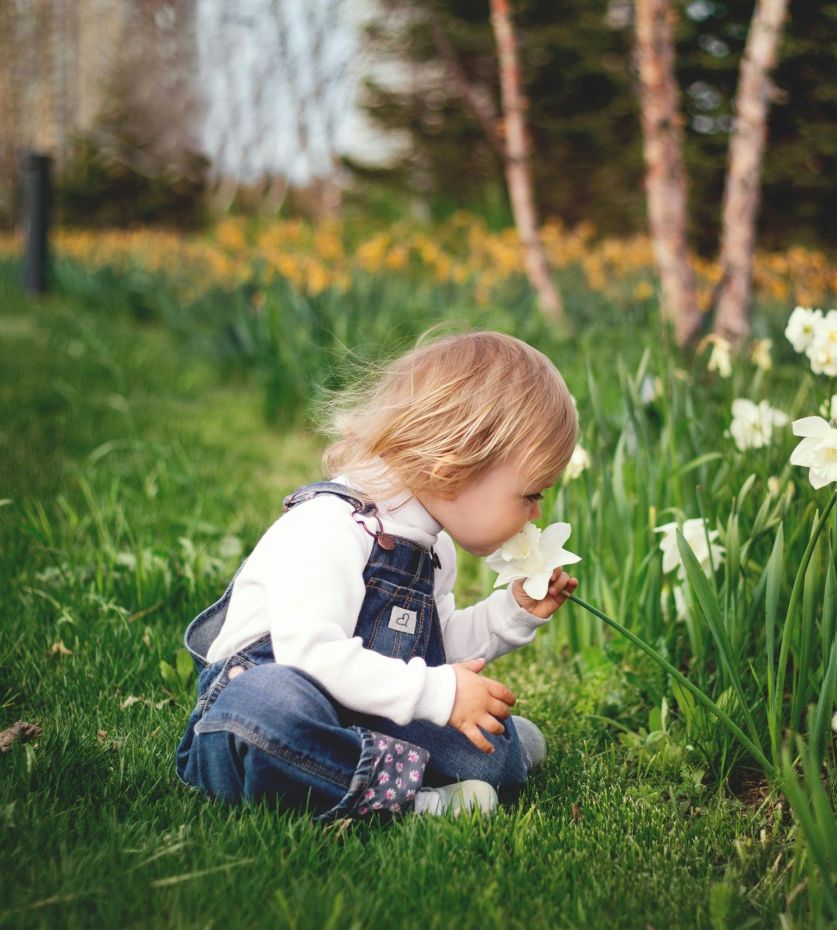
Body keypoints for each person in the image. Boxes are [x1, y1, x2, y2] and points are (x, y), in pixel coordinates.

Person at [175, 330, 580, 821]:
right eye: (531, 495)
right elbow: (311, 657)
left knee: (491, 750)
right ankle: (413, 800)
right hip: (267, 710)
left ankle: (422, 763)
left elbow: (434, 649)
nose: (536, 514)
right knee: (267, 710)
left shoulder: (432, 548)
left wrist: (512, 613)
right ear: (453, 468)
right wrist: (440, 694)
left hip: (360, 707)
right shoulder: (329, 526)